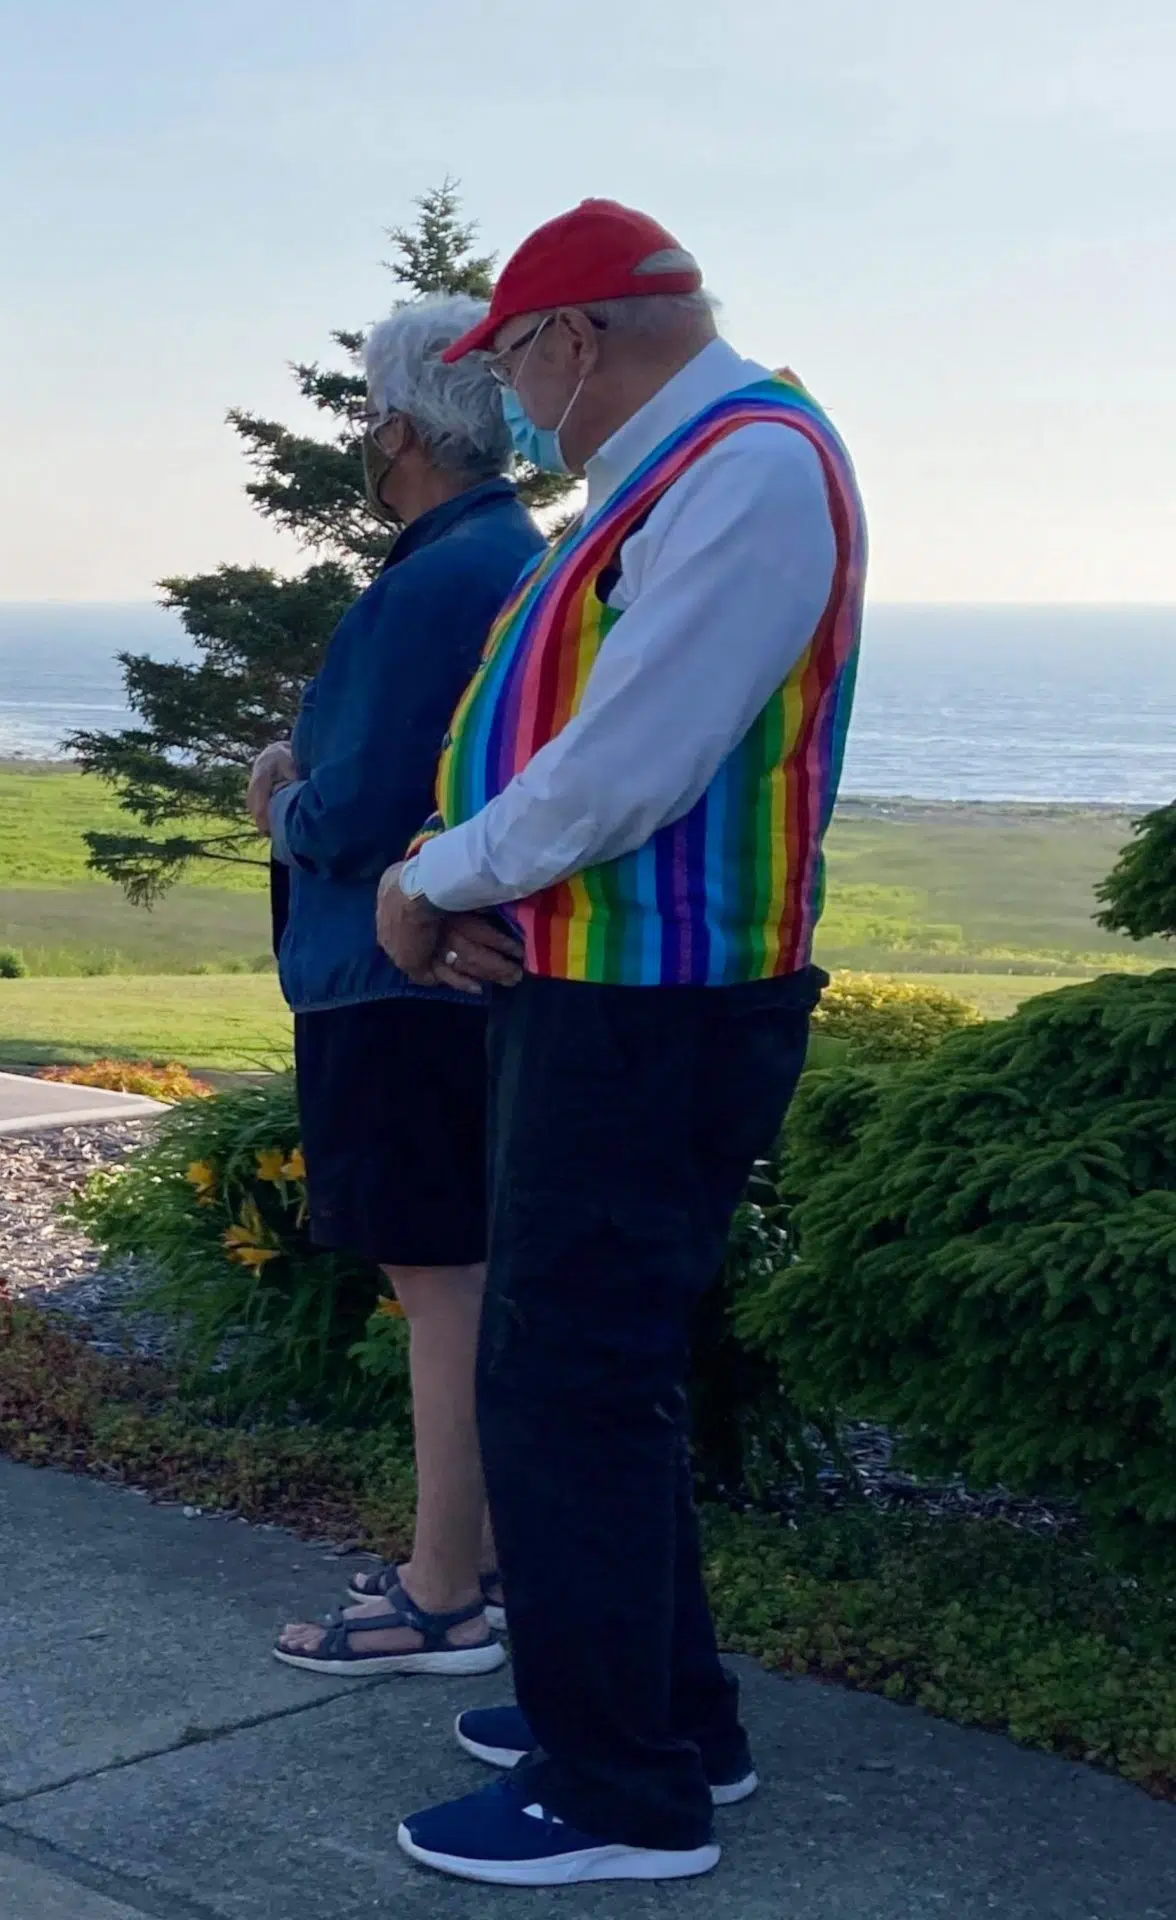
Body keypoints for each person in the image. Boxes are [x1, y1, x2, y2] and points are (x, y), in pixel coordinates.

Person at [374, 200, 866, 1888]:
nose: (511, 401)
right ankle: (665, 1719)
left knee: (567, 1383)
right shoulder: (684, 468)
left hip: (662, 1010)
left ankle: (618, 1795)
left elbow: (628, 761)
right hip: (605, 994)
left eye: (511, 362)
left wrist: (432, 878)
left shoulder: (748, 464)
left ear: (573, 338)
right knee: (597, 1374)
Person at [248, 296, 540, 1680]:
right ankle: (469, 1567)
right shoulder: (495, 555)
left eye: (372, 418)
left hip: (393, 981)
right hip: (421, 978)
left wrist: (278, 797)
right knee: (453, 1275)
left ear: (403, 433)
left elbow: (362, 803)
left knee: (440, 1282)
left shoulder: (441, 575)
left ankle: (442, 1596)